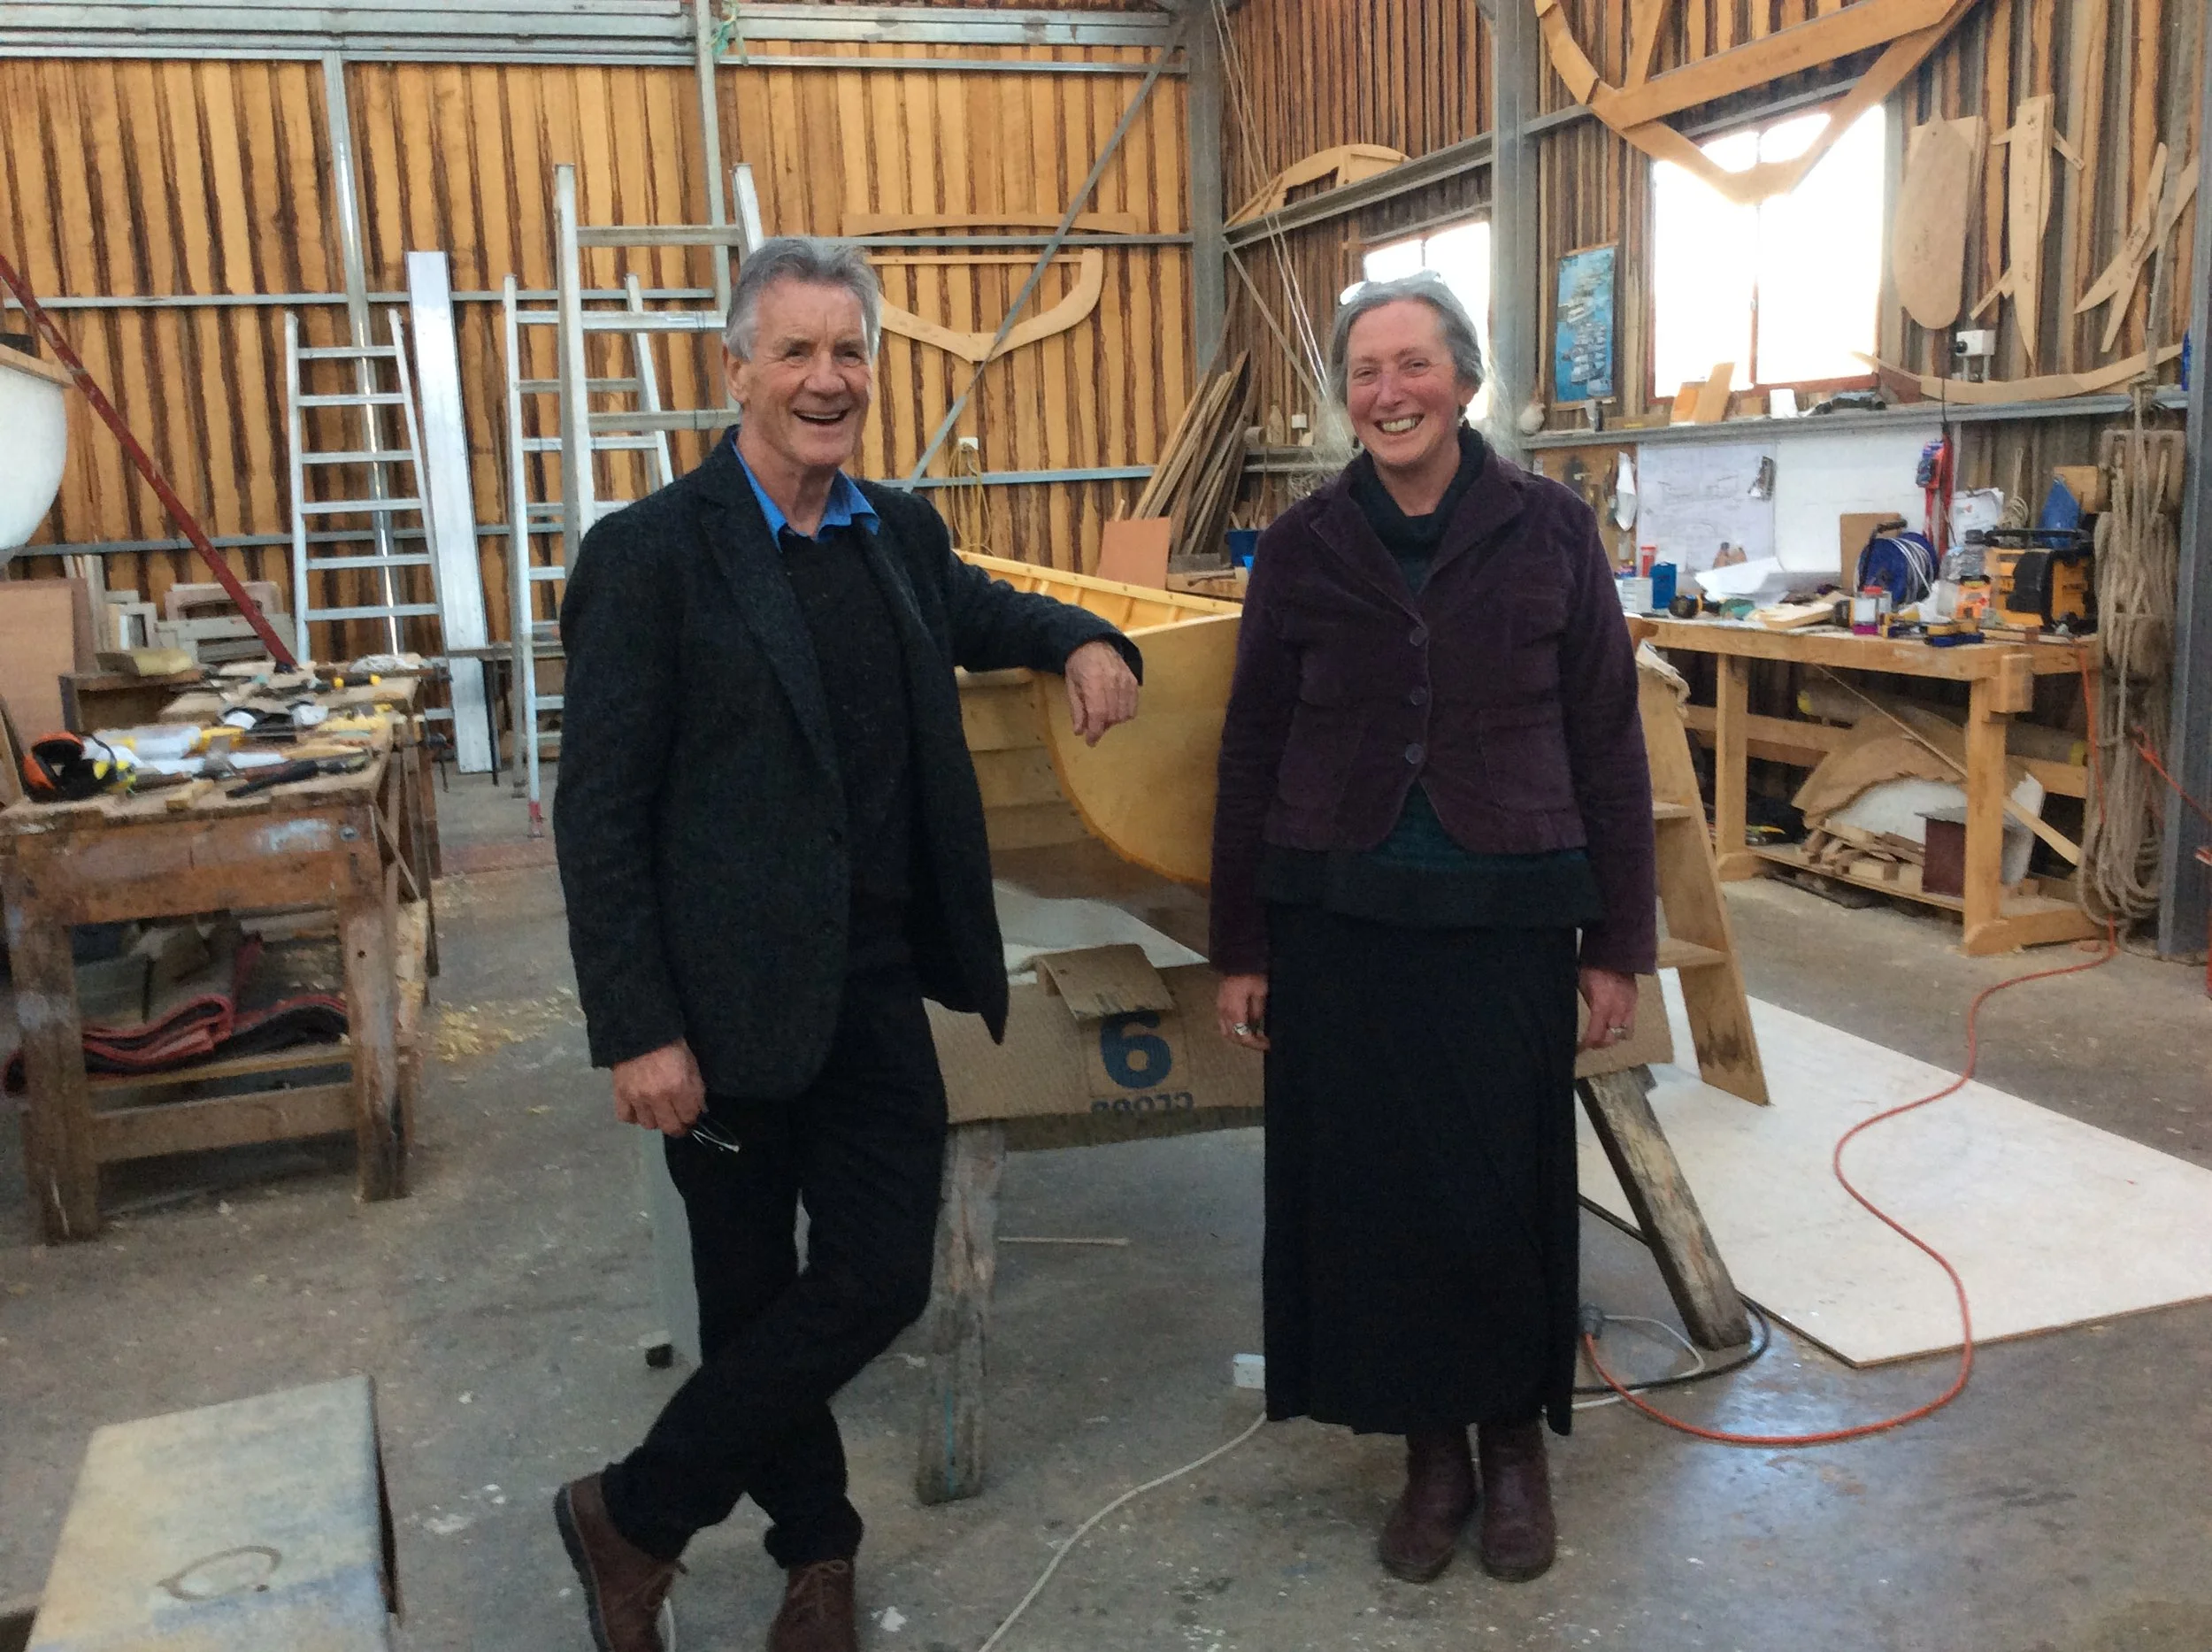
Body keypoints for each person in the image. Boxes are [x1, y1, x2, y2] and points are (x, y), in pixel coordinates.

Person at [551, 237, 1142, 1652]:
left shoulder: (897, 533)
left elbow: (983, 611)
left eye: (851, 352)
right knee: (752, 1296)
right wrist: (637, 1026)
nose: (829, 380)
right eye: (799, 351)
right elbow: (601, 816)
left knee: (877, 1276)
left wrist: (1086, 638)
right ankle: (817, 1553)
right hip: (722, 1007)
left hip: (877, 988)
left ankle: (631, 1513)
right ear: (736, 368)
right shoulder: (651, 559)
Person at [1209, 273, 1655, 1588]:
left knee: (1503, 1191)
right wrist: (1241, 943)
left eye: (1413, 366)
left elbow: (1607, 743)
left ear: (1466, 382)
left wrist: (1616, 938)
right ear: (1345, 397)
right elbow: (1251, 751)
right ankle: (1430, 1453)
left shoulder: (1552, 530)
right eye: (1365, 372)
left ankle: (1513, 1444)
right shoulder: (1300, 543)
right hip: (1338, 915)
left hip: (1506, 911)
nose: (1389, 393)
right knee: (1377, 1196)